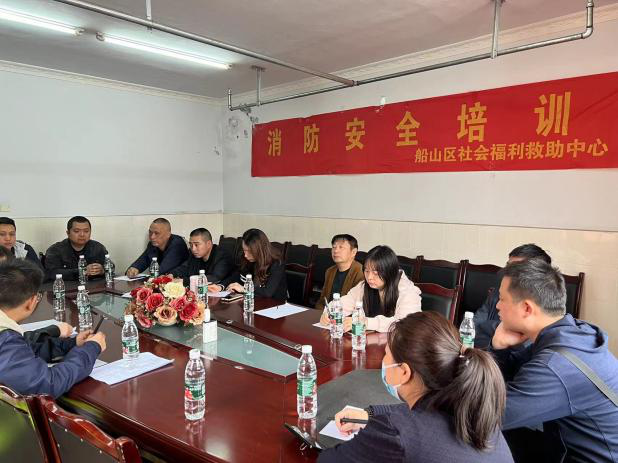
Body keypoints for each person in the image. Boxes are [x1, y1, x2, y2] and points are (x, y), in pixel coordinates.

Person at [319, 312, 513, 462]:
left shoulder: (395, 433)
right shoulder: (477, 412)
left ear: (404, 372)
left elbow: (328, 460)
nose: (383, 361)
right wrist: (369, 414)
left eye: (386, 354)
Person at [492, 259, 618, 462]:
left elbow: (487, 416)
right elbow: (513, 375)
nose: (497, 306)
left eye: (501, 299)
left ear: (526, 308)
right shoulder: (572, 332)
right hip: (562, 445)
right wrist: (500, 348)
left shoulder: (555, 365)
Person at [0, 260, 106, 398]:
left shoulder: (7, 335)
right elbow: (49, 384)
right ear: (31, 302)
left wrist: (72, 344)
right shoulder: (6, 341)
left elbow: (27, 348)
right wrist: (91, 349)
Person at [320, 245, 421, 333]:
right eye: (366, 271)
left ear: (389, 272)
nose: (369, 277)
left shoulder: (408, 291)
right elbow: (345, 302)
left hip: (399, 345)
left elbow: (404, 324)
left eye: (375, 273)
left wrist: (366, 322)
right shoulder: (364, 286)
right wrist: (328, 313)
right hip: (371, 341)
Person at [474, 243, 551, 348]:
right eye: (508, 267)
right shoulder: (497, 292)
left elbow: (522, 346)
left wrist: (487, 326)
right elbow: (473, 329)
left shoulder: (540, 307)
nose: (507, 273)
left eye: (514, 269)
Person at [217, 228, 287, 300]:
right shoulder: (248, 259)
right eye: (244, 250)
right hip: (254, 301)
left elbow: (267, 292)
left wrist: (244, 289)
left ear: (259, 250)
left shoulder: (277, 263)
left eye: (249, 251)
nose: (245, 255)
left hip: (275, 304)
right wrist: (220, 286)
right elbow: (236, 276)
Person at [44, 216, 108, 281]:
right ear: (68, 233)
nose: (82, 234)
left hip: (93, 286)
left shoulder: (98, 247)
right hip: (67, 286)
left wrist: (102, 270)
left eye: (86, 231)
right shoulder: (55, 250)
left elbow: (110, 267)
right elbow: (51, 273)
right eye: (77, 231)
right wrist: (81, 271)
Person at [315, 234, 364, 311]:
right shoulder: (330, 271)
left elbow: (358, 306)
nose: (336, 251)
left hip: (347, 316)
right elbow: (322, 300)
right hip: (326, 314)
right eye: (334, 247)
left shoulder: (361, 272)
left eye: (341, 247)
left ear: (353, 252)